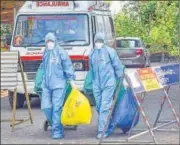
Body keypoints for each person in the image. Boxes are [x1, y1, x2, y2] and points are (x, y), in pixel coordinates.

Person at [89, 32, 125, 139]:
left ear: (104, 41)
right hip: (97, 84)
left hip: (108, 83)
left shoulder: (110, 52)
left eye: (100, 41)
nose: (98, 43)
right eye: (97, 41)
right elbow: (91, 70)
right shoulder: (92, 53)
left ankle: (102, 131)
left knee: (104, 107)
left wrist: (121, 79)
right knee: (99, 107)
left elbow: (117, 66)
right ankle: (110, 123)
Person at [41, 32, 76, 139]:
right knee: (46, 106)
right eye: (47, 42)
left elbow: (68, 66)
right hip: (46, 84)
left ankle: (57, 131)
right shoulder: (46, 52)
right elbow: (43, 67)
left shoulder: (61, 52)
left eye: (51, 41)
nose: (49, 43)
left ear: (55, 41)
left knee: (57, 108)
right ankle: (56, 123)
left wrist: (71, 80)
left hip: (59, 84)